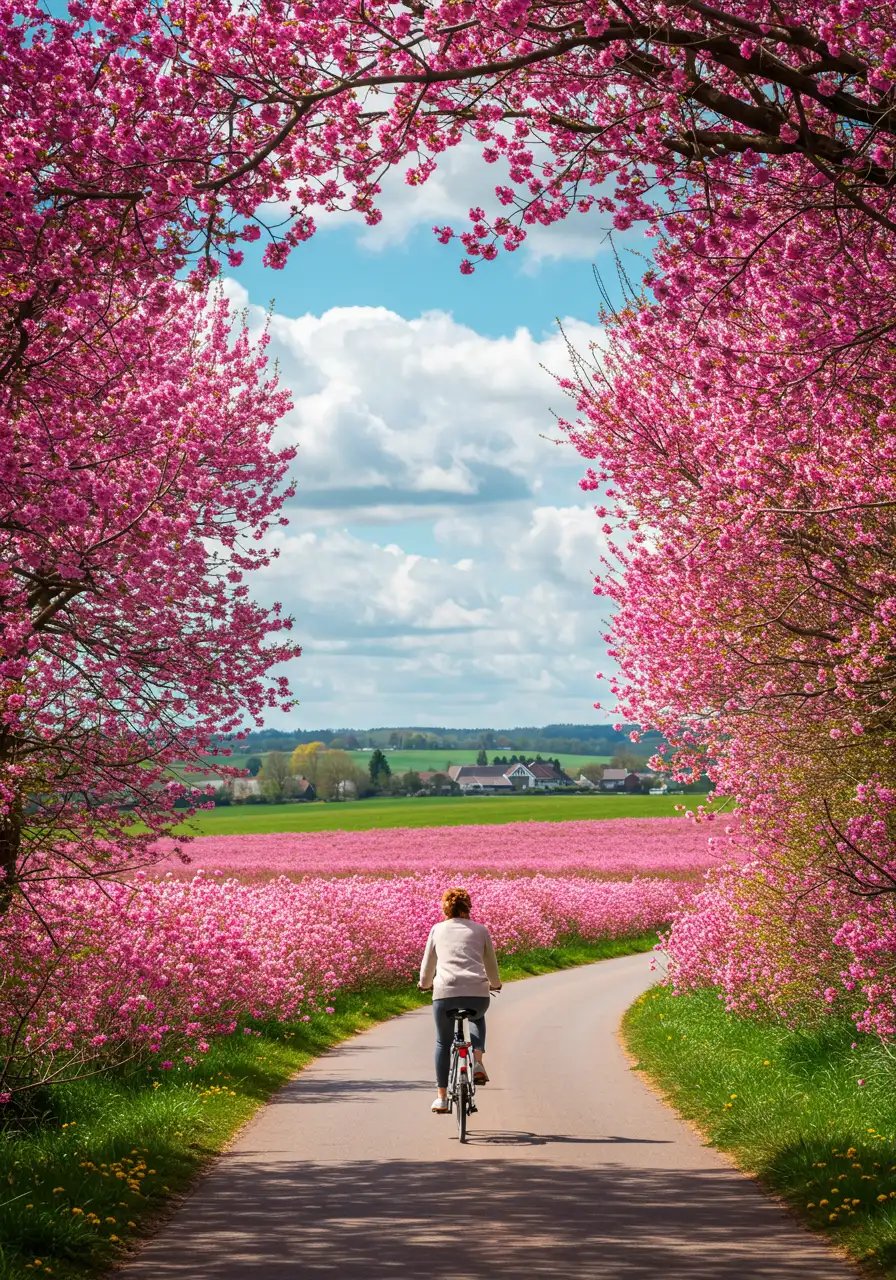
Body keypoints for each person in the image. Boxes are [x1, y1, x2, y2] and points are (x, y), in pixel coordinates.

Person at [418, 886, 502, 1114]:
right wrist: (495, 983)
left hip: (445, 993)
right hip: (477, 992)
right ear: (468, 907)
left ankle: (442, 1098)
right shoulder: (481, 930)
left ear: (446, 908)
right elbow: (491, 965)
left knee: (443, 1043)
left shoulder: (437, 930)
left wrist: (424, 984)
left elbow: (428, 967)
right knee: (478, 1016)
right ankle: (477, 1061)